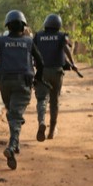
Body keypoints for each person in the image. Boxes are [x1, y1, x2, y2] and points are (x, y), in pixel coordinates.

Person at [0, 10, 43, 170]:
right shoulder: (29, 42)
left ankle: (14, 144)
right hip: (22, 82)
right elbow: (40, 62)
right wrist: (38, 78)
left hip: (4, 82)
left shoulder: (0, 40)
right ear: (23, 27)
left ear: (8, 26)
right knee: (16, 115)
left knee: (12, 112)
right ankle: (12, 145)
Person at [33, 13, 77, 141]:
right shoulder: (61, 36)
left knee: (42, 99)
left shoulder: (38, 36)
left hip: (42, 72)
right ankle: (52, 130)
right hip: (57, 72)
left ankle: (41, 121)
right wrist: (72, 63)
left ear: (46, 23)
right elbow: (66, 49)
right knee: (54, 101)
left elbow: (32, 51)